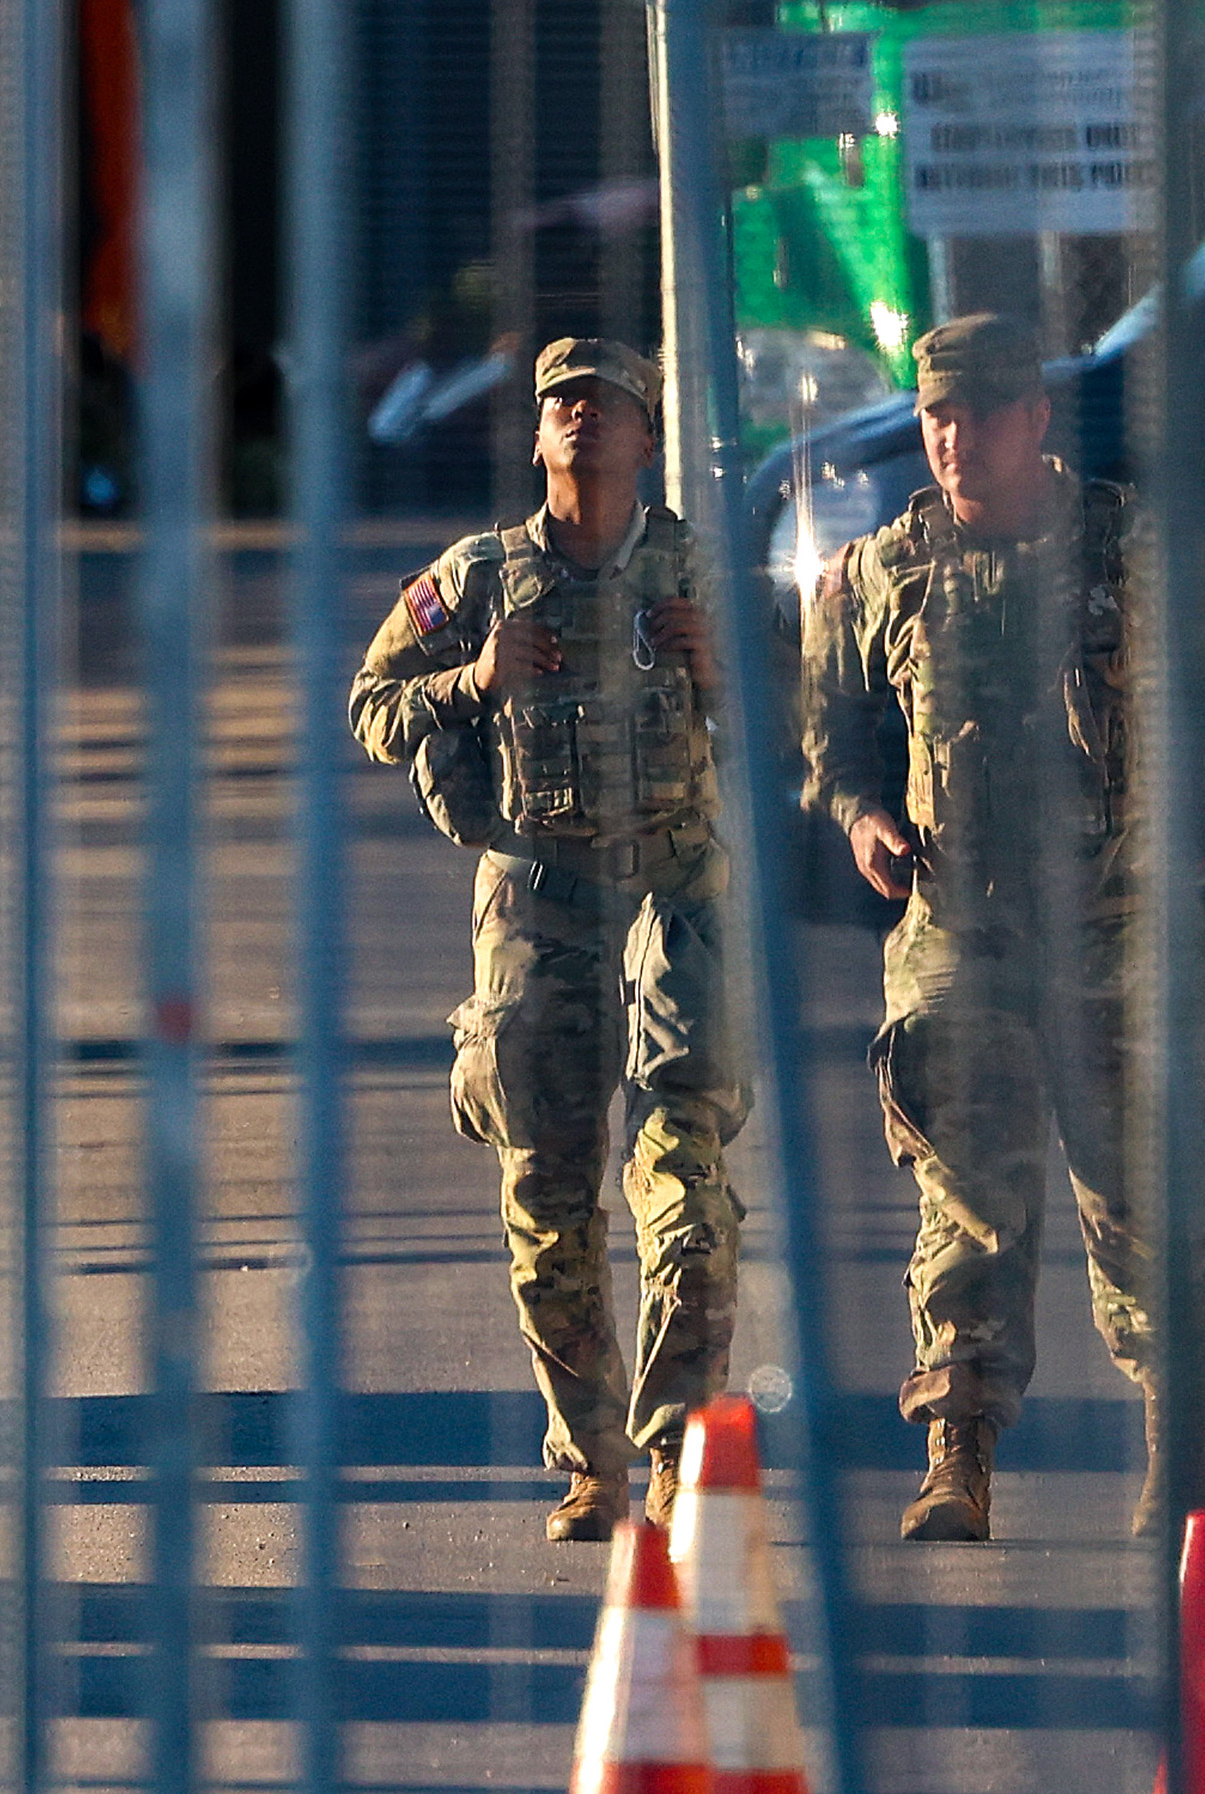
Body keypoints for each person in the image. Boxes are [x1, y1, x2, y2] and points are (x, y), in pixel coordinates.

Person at [799, 313, 1205, 1541]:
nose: (952, 440)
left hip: (1123, 937)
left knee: (1144, 1199)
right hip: (956, 941)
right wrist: (860, 814)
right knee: (964, 1204)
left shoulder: (1142, 555)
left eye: (976, 415)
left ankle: (1177, 1447)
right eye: (933, 418)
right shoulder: (883, 571)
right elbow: (825, 723)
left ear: (1033, 420)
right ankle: (954, 1458)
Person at [349, 338, 745, 1539]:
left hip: (674, 898)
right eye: (559, 404)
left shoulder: (695, 568)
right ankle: (590, 1462)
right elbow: (369, 707)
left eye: (606, 404)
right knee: (547, 1197)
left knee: (685, 1185)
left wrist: (722, 668)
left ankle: (675, 1447)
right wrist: (468, 680)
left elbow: (805, 707)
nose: (579, 417)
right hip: (537, 904)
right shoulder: (477, 577)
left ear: (644, 437)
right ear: (534, 438)